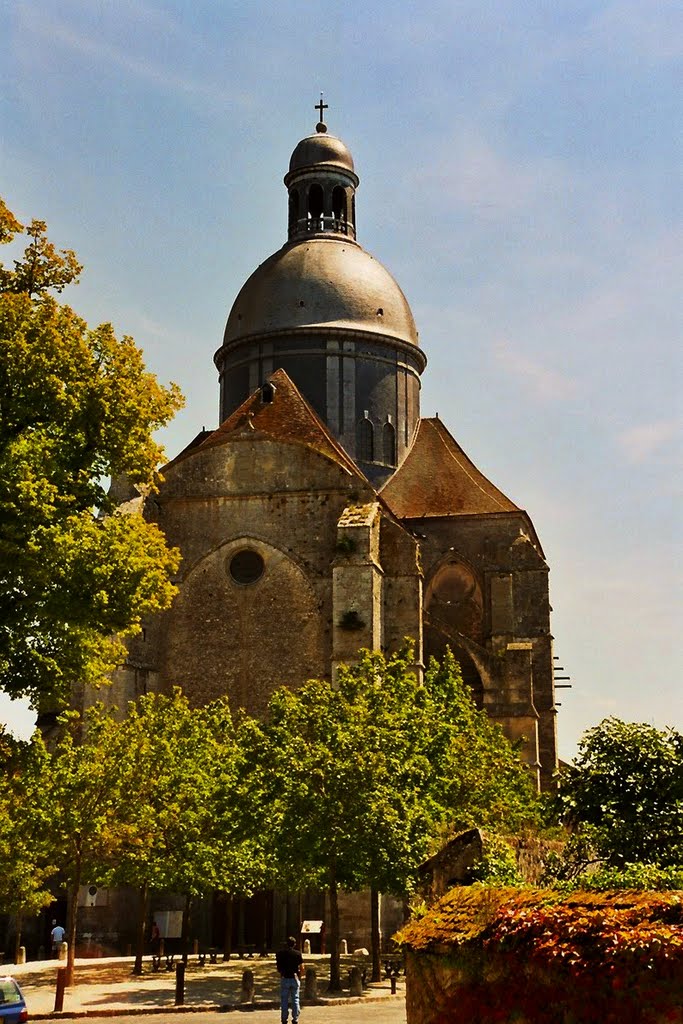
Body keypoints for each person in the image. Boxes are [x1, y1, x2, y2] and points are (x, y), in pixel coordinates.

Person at [276, 936, 303, 1024]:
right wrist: (300, 976)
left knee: (284, 999)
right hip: (294, 977)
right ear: (294, 944)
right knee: (295, 998)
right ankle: (295, 1018)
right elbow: (302, 967)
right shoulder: (297, 954)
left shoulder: (280, 954)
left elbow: (278, 967)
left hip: (284, 977)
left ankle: (284, 1019)